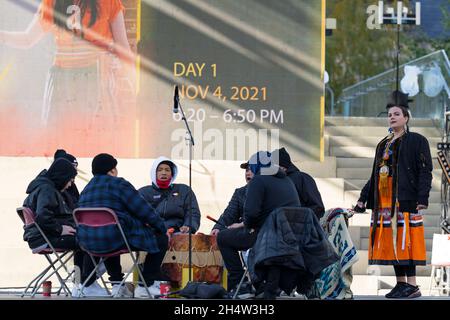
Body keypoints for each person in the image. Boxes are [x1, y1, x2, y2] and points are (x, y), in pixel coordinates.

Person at [0, 0, 136, 156]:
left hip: (88, 76)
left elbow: (27, 39)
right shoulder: (53, 3)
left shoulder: (107, 2)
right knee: (70, 143)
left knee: (80, 143)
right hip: (74, 76)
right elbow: (123, 48)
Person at [355, 90, 433, 299]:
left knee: (407, 241)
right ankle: (401, 284)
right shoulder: (383, 144)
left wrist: (422, 198)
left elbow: (426, 170)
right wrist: (363, 198)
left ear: (406, 118)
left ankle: (413, 286)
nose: (392, 116)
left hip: (406, 198)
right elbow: (375, 174)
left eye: (397, 114)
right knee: (393, 243)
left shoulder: (417, 140)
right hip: (385, 201)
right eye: (390, 114)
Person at [77, 153, 168, 298]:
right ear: (112, 170)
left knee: (109, 232)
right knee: (161, 238)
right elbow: (143, 209)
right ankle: (145, 286)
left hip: (88, 242)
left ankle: (117, 285)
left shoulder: (86, 190)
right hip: (115, 237)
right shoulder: (118, 184)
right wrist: (161, 227)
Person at [22, 158, 103, 297]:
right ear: (62, 177)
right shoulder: (47, 189)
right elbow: (43, 217)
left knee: (81, 241)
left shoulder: (43, 187)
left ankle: (80, 284)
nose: (70, 184)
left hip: (39, 236)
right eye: (70, 180)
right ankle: (86, 284)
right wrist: (61, 229)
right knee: (89, 240)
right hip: (45, 237)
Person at [243, 151, 302, 299]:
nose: (249, 171)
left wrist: (247, 226)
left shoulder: (258, 180)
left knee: (224, 238)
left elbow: (250, 214)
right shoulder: (287, 180)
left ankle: (241, 286)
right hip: (289, 238)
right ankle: (264, 287)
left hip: (268, 238)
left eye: (251, 167)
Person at [209, 161, 255, 298]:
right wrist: (217, 227)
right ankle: (240, 283)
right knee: (223, 236)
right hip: (248, 233)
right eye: (246, 170)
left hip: (265, 233)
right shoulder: (240, 192)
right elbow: (229, 214)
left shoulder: (268, 190)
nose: (248, 173)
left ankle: (259, 283)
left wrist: (243, 224)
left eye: (251, 170)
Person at [139, 157, 201, 234]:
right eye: (160, 170)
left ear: (172, 173)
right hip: (152, 234)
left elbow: (193, 213)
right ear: (154, 172)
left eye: (167, 170)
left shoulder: (184, 190)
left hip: (178, 233)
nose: (164, 173)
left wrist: (188, 226)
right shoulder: (143, 192)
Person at [271, 147, 325, 219]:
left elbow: (318, 207)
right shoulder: (275, 181)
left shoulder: (302, 178)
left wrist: (297, 219)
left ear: (282, 166)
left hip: (301, 227)